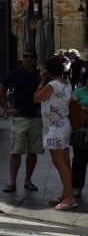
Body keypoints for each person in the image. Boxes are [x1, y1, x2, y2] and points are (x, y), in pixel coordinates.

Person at [0, 50, 43, 193]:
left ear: (36, 59)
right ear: (22, 58)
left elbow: (51, 94)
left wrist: (44, 109)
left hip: (36, 119)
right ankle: (12, 182)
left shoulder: (41, 76)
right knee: (16, 151)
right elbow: (0, 90)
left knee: (33, 151)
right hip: (20, 118)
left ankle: (28, 180)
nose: (29, 59)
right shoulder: (15, 74)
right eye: (26, 56)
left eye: (32, 57)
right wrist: (7, 109)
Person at [34, 55, 76, 210]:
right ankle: (66, 193)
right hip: (63, 125)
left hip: (54, 128)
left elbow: (36, 98)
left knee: (60, 164)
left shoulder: (53, 85)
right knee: (65, 162)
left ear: (48, 71)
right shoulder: (67, 84)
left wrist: (41, 82)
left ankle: (69, 197)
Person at [71, 70, 88, 199]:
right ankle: (77, 186)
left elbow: (78, 107)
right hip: (81, 130)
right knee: (79, 160)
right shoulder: (78, 92)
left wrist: (83, 108)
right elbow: (72, 109)